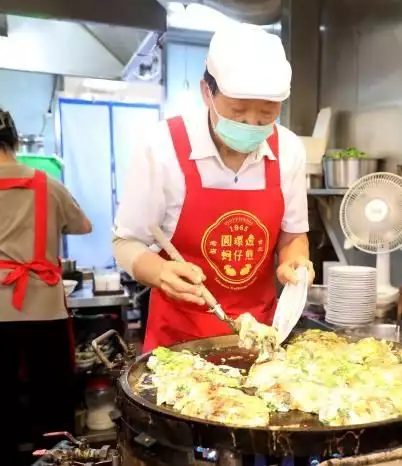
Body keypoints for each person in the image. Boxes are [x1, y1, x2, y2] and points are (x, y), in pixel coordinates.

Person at [113, 23, 314, 352]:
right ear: (207, 91)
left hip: (259, 337)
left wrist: (295, 262)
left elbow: (292, 235)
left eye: (266, 114)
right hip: (178, 341)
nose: (252, 123)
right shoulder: (162, 147)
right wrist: (161, 271)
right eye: (238, 111)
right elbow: (126, 242)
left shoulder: (289, 150)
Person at [0, 105, 92, 465]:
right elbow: (83, 225)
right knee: (53, 403)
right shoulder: (47, 183)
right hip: (46, 309)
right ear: (15, 140)